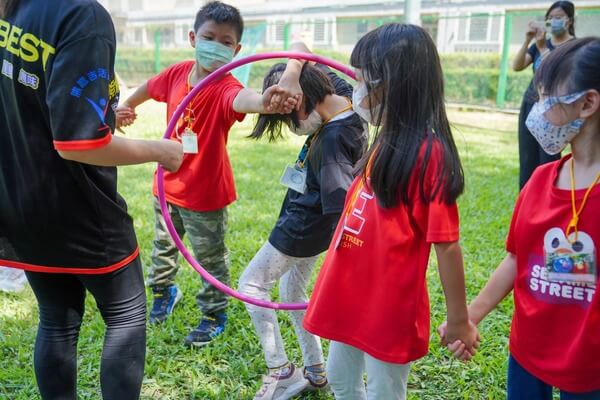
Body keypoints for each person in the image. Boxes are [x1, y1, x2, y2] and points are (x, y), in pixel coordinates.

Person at [0, 0, 183, 398]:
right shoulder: (83, 15)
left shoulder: (17, 11)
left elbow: (37, 97)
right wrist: (161, 150)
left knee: (56, 318)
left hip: (20, 203)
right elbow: (77, 143)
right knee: (127, 314)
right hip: (79, 208)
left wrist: (104, 111)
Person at [302, 24, 480, 400]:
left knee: (385, 391)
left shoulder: (428, 155)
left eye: (367, 82)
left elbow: (446, 246)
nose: (359, 92)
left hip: (387, 308)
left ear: (400, 85)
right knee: (340, 379)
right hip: (350, 295)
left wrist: (460, 319)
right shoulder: (384, 140)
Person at [116, 1, 297, 347]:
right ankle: (164, 292)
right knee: (163, 247)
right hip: (165, 188)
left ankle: (214, 312)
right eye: (209, 37)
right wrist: (128, 107)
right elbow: (148, 88)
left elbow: (245, 99)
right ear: (193, 37)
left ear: (237, 50)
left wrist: (266, 102)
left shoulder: (224, 87)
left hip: (205, 196)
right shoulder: (176, 73)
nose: (216, 45)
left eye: (226, 42)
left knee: (210, 258)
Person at [440, 38, 600, 399]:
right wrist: (467, 318)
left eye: (547, 98)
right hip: (528, 354)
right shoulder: (540, 181)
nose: (537, 109)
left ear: (587, 103)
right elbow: (517, 258)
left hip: (591, 367)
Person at [237, 42, 368, 400]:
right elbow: (302, 47)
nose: (294, 126)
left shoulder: (331, 142)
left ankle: (281, 370)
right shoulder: (342, 98)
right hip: (312, 228)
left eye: (292, 116)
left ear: (307, 97)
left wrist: (345, 267)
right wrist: (291, 74)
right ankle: (315, 369)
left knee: (250, 285)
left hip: (299, 228)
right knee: (291, 292)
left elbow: (340, 207)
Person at [513, 1, 575, 189]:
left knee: (548, 160)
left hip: (556, 111)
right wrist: (527, 41)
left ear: (570, 21)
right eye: (549, 18)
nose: (553, 21)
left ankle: (547, 198)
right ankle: (526, 199)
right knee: (527, 157)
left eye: (558, 17)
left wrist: (541, 48)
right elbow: (517, 65)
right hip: (531, 106)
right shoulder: (541, 42)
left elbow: (555, 74)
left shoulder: (575, 47)